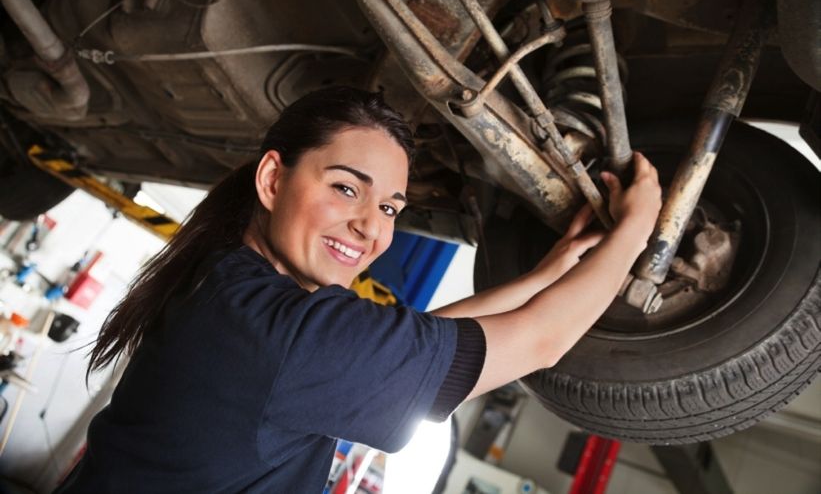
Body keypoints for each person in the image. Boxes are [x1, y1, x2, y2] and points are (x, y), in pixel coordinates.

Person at [55, 87, 661, 493]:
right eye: (347, 188)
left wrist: (546, 274)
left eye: (392, 207)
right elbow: (542, 341)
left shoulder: (227, 284)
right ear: (272, 179)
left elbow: (414, 343)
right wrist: (635, 229)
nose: (373, 226)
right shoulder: (281, 333)